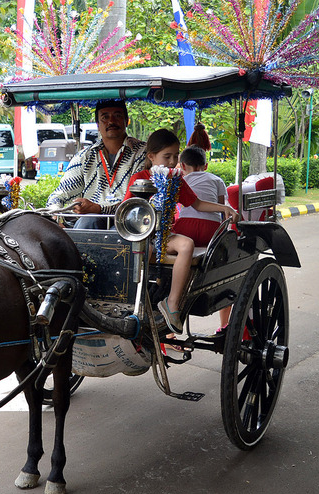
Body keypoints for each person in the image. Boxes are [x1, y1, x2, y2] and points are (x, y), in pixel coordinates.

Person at [124, 129, 237, 334]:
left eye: (176, 156)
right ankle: (135, 304)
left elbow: (198, 204)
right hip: (141, 238)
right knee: (144, 252)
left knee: (187, 245)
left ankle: (172, 304)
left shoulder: (176, 180)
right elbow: (127, 210)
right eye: (166, 156)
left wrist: (224, 208)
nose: (172, 161)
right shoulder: (140, 178)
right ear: (151, 157)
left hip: (164, 235)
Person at [46, 100, 146, 228]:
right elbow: (60, 194)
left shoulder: (143, 153)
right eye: (105, 117)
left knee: (121, 228)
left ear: (126, 121)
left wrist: (99, 209)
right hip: (88, 224)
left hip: (129, 222)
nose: (111, 121)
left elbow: (137, 202)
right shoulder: (85, 157)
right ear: (98, 124)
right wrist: (55, 219)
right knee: (88, 221)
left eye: (117, 116)